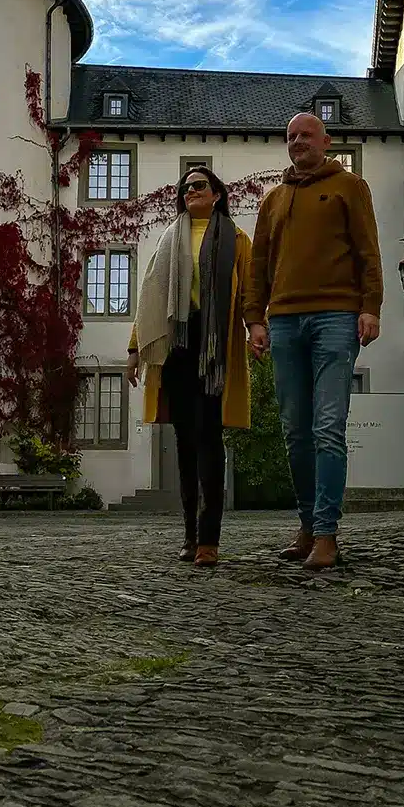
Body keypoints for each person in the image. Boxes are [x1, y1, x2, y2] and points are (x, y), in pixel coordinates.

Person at [244, 113, 383, 571]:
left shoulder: (349, 187)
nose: (298, 142)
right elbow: (259, 263)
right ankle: (307, 526)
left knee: (327, 427)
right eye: (291, 137)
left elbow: (368, 250)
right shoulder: (274, 200)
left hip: (336, 318)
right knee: (294, 432)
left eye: (306, 134)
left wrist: (370, 307)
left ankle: (327, 533)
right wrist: (254, 318)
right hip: (283, 320)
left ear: (326, 140)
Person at [126, 166, 252, 568]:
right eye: (184, 188)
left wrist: (259, 328)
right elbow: (150, 298)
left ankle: (209, 539)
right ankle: (189, 535)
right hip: (177, 344)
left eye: (199, 185)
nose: (190, 191)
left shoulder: (237, 239)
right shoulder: (167, 239)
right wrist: (135, 351)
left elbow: (249, 293)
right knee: (184, 442)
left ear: (217, 193)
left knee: (209, 438)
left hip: (214, 346)